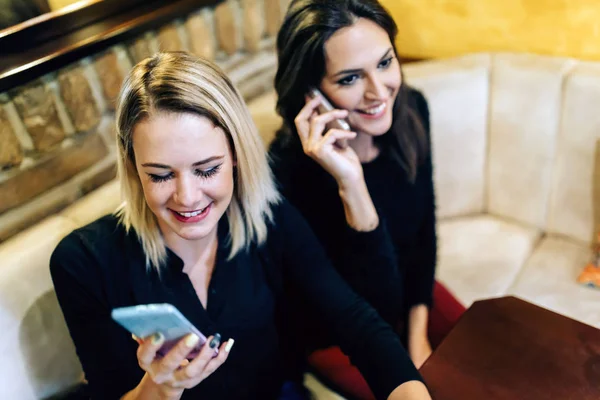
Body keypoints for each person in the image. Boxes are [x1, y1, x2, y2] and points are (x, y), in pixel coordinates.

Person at [49, 52, 433, 400]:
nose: (187, 197)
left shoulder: (271, 219)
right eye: (161, 175)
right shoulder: (84, 262)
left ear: (235, 155)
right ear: (134, 169)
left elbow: (358, 323)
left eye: (207, 170)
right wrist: (161, 388)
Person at [269, 0, 466, 398]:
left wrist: (417, 335)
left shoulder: (412, 110)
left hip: (408, 296)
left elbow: (424, 233)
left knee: (493, 352)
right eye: (349, 79)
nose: (379, 92)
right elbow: (365, 309)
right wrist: (351, 184)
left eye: (384, 62)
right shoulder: (286, 173)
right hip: (338, 333)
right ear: (311, 92)